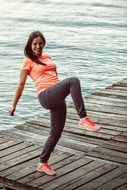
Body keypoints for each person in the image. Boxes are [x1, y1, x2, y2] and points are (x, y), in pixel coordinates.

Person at [9, 31, 101, 176]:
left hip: (56, 95)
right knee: (73, 80)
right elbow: (21, 84)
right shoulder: (27, 61)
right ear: (30, 45)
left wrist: (61, 93)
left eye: (40, 43)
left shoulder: (47, 57)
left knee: (56, 132)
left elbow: (54, 77)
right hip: (45, 95)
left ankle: (42, 163)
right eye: (34, 44)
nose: (38, 46)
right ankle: (83, 118)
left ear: (44, 43)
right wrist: (14, 105)